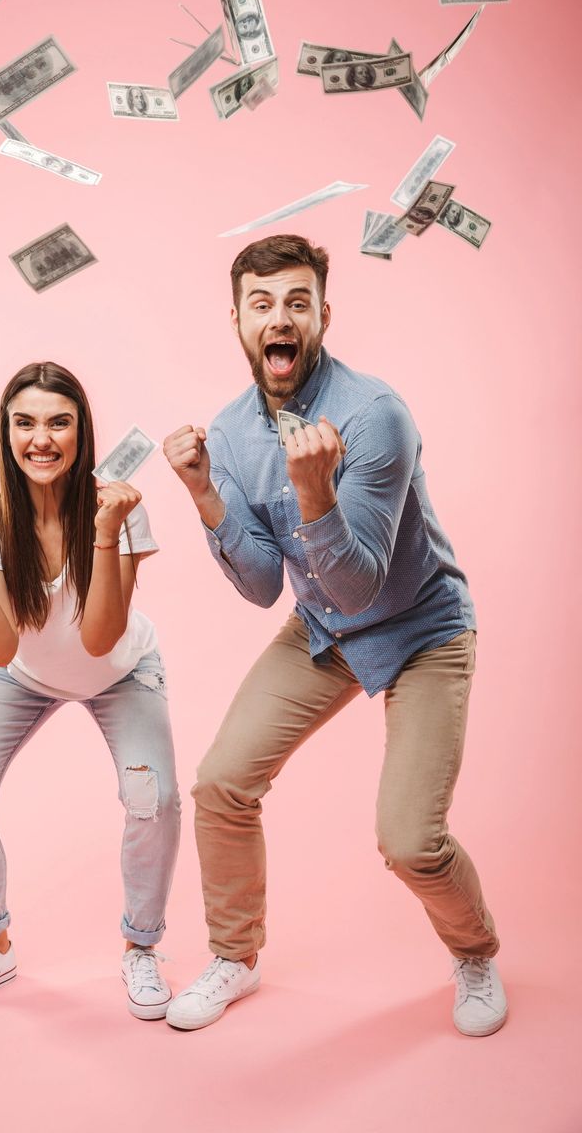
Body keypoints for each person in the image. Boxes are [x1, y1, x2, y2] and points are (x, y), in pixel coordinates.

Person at [162, 234, 506, 1036]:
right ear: (240, 320)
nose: (280, 318)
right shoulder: (234, 432)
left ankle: (476, 952)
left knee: (410, 841)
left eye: (297, 302)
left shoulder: (375, 416)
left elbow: (360, 580)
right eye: (262, 303)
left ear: (322, 314)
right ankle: (236, 958)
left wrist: (314, 493)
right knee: (221, 785)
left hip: (421, 628)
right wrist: (205, 493)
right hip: (322, 630)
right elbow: (258, 587)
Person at [0, 362, 181, 1019]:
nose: (41, 439)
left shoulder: (118, 510)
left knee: (152, 796)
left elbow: (99, 640)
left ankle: (140, 948)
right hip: (23, 675)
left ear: (81, 431)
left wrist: (105, 529)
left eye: (58, 422)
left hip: (121, 672)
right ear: (7, 433)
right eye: (25, 423)